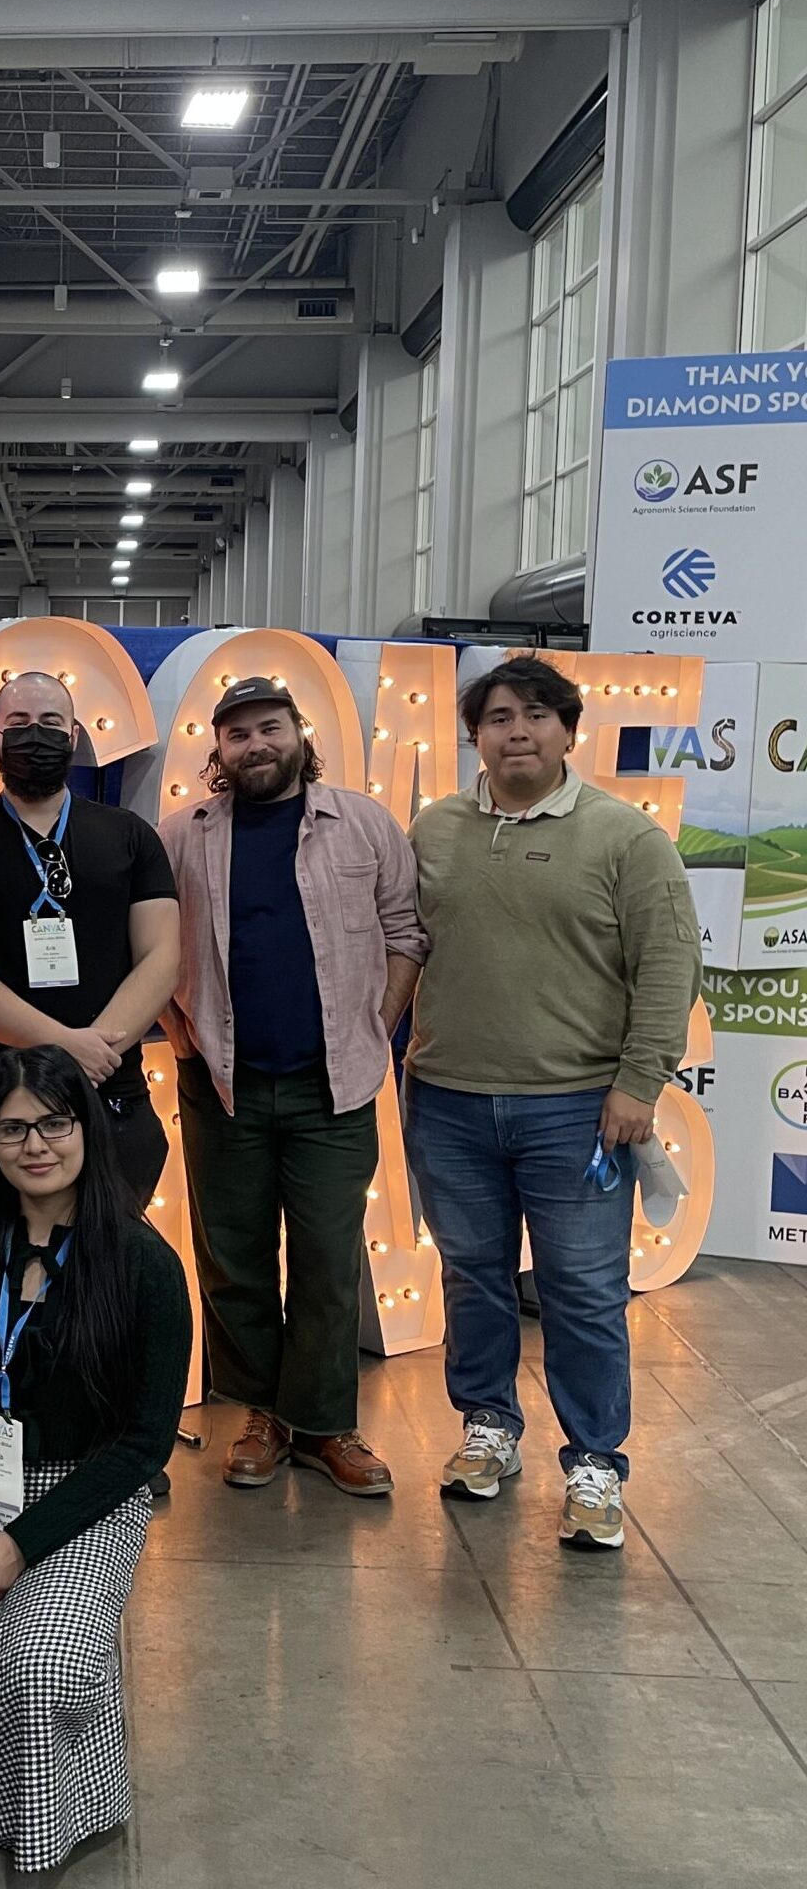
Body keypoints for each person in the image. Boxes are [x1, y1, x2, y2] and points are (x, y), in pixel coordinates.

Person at [405, 654, 702, 1550]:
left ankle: (596, 1464)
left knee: (582, 1291)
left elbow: (669, 965)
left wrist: (639, 1082)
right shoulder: (434, 830)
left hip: (577, 1110)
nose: (518, 732)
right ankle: (488, 1427)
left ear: (569, 731)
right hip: (448, 1101)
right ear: (475, 735)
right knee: (472, 1278)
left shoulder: (626, 838)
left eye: (537, 715)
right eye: (499, 717)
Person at [0, 1044, 191, 1873]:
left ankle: (49, 1825)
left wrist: (20, 1543)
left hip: (84, 1494)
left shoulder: (144, 1264)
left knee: (42, 1666)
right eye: (12, 1128)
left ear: (87, 1129)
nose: (35, 1145)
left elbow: (143, 1444)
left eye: (55, 1123)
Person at [160, 676, 426, 1496]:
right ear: (218, 749)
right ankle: (263, 1415)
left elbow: (405, 932)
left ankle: (323, 1425)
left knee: (326, 1260)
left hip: (333, 1088)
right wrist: (183, 1036)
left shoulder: (365, 825)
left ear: (300, 734)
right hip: (223, 1087)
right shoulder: (184, 837)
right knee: (232, 1259)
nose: (256, 745)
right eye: (237, 734)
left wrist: (375, 1025)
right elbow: (154, 948)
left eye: (270, 728)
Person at [0, 668, 180, 1218]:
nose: (35, 734)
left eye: (50, 722)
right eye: (18, 722)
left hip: (109, 1095)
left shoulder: (131, 836)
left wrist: (93, 1055)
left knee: (108, 1257)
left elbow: (161, 957)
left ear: (73, 735)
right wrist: (65, 1048)